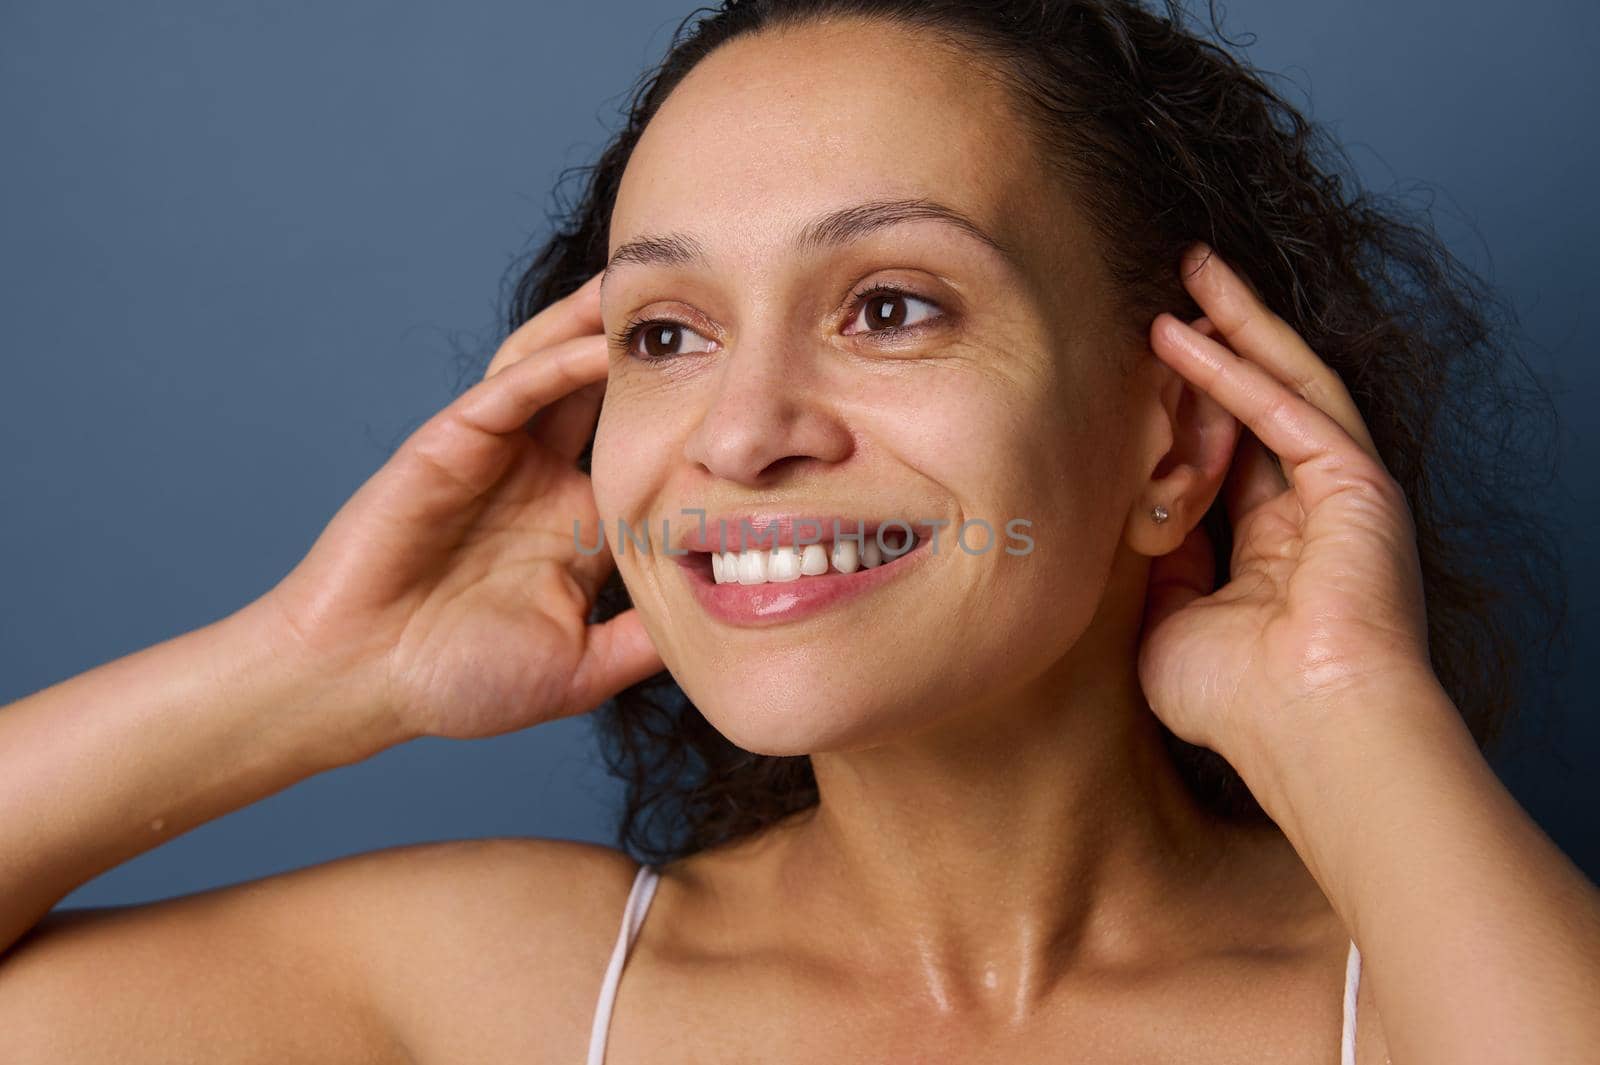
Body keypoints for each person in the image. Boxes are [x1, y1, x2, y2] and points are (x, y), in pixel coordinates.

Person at [0, 0, 1594, 1062]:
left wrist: (1345, 716)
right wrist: (318, 664)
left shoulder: (1432, 992)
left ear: (1165, 435)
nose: (745, 430)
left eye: (889, 306)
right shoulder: (511, 999)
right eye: (666, 335)